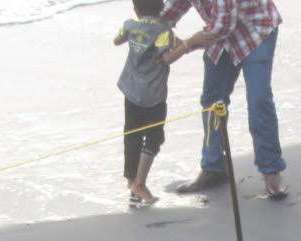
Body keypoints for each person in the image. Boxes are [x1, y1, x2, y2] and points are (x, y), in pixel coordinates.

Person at [162, 0, 288, 199]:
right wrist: (148, 29)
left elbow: (223, 26)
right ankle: (213, 167)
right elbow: (169, 10)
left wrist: (184, 47)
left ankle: (271, 171)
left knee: (259, 99)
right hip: (220, 33)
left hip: (255, 29)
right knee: (212, 100)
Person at [114, 0, 195, 205]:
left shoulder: (130, 25)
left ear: (135, 8)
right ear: (161, 8)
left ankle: (131, 181)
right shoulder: (163, 31)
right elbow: (165, 57)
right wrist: (184, 47)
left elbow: (117, 40)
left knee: (132, 134)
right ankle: (139, 184)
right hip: (153, 95)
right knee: (154, 137)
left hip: (131, 91)